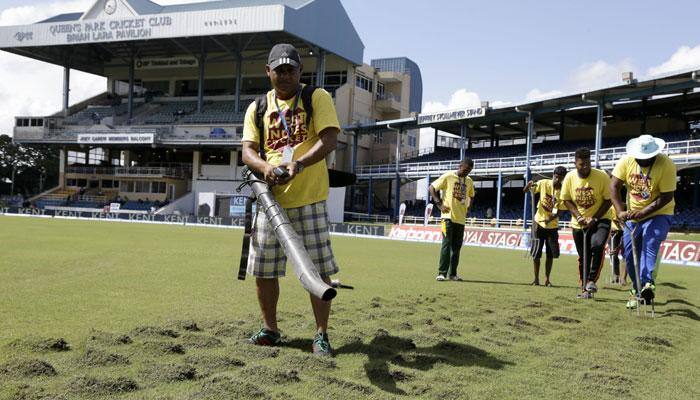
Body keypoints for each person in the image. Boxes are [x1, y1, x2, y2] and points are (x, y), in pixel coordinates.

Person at [241, 43, 341, 356]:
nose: (285, 75)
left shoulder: (316, 97)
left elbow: (330, 139)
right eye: (279, 70)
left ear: (300, 71)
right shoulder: (258, 107)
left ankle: (321, 334)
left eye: (290, 69)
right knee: (265, 271)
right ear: (268, 72)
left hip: (309, 199)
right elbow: (247, 151)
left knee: (318, 271)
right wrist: (265, 168)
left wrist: (299, 163)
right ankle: (270, 329)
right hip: (270, 204)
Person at [610, 135, 676, 309]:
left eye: (647, 157)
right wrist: (620, 211)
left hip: (659, 212)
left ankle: (647, 283)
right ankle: (636, 288)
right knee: (630, 255)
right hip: (632, 215)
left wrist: (644, 212)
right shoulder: (626, 161)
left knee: (651, 239)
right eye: (640, 157)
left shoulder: (666, 164)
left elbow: (667, 196)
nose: (643, 160)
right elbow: (614, 186)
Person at [560, 148, 613, 299]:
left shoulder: (602, 176)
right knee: (584, 256)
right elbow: (566, 199)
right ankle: (584, 289)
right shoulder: (570, 177)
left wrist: (594, 218)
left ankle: (591, 281)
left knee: (597, 245)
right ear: (575, 163)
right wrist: (578, 216)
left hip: (601, 219)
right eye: (581, 164)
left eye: (588, 163)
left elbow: (609, 200)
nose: (585, 167)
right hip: (579, 224)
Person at [429, 159, 475, 282]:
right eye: (465, 170)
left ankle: (453, 274)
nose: (467, 172)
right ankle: (442, 273)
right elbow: (432, 187)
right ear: (460, 166)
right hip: (447, 217)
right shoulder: (448, 176)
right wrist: (439, 204)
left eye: (469, 171)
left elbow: (472, 195)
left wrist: (469, 207)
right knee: (446, 244)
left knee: (456, 247)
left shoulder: (469, 181)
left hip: (461, 219)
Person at [523, 166, 567, 287]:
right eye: (556, 177)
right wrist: (528, 186)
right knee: (536, 253)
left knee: (550, 254)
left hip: (552, 227)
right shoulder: (543, 183)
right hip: (538, 223)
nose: (557, 180)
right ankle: (536, 279)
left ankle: (547, 279)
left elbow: (561, 211)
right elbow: (527, 191)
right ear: (553, 175)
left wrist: (551, 218)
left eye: (560, 178)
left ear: (563, 178)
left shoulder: (563, 191)